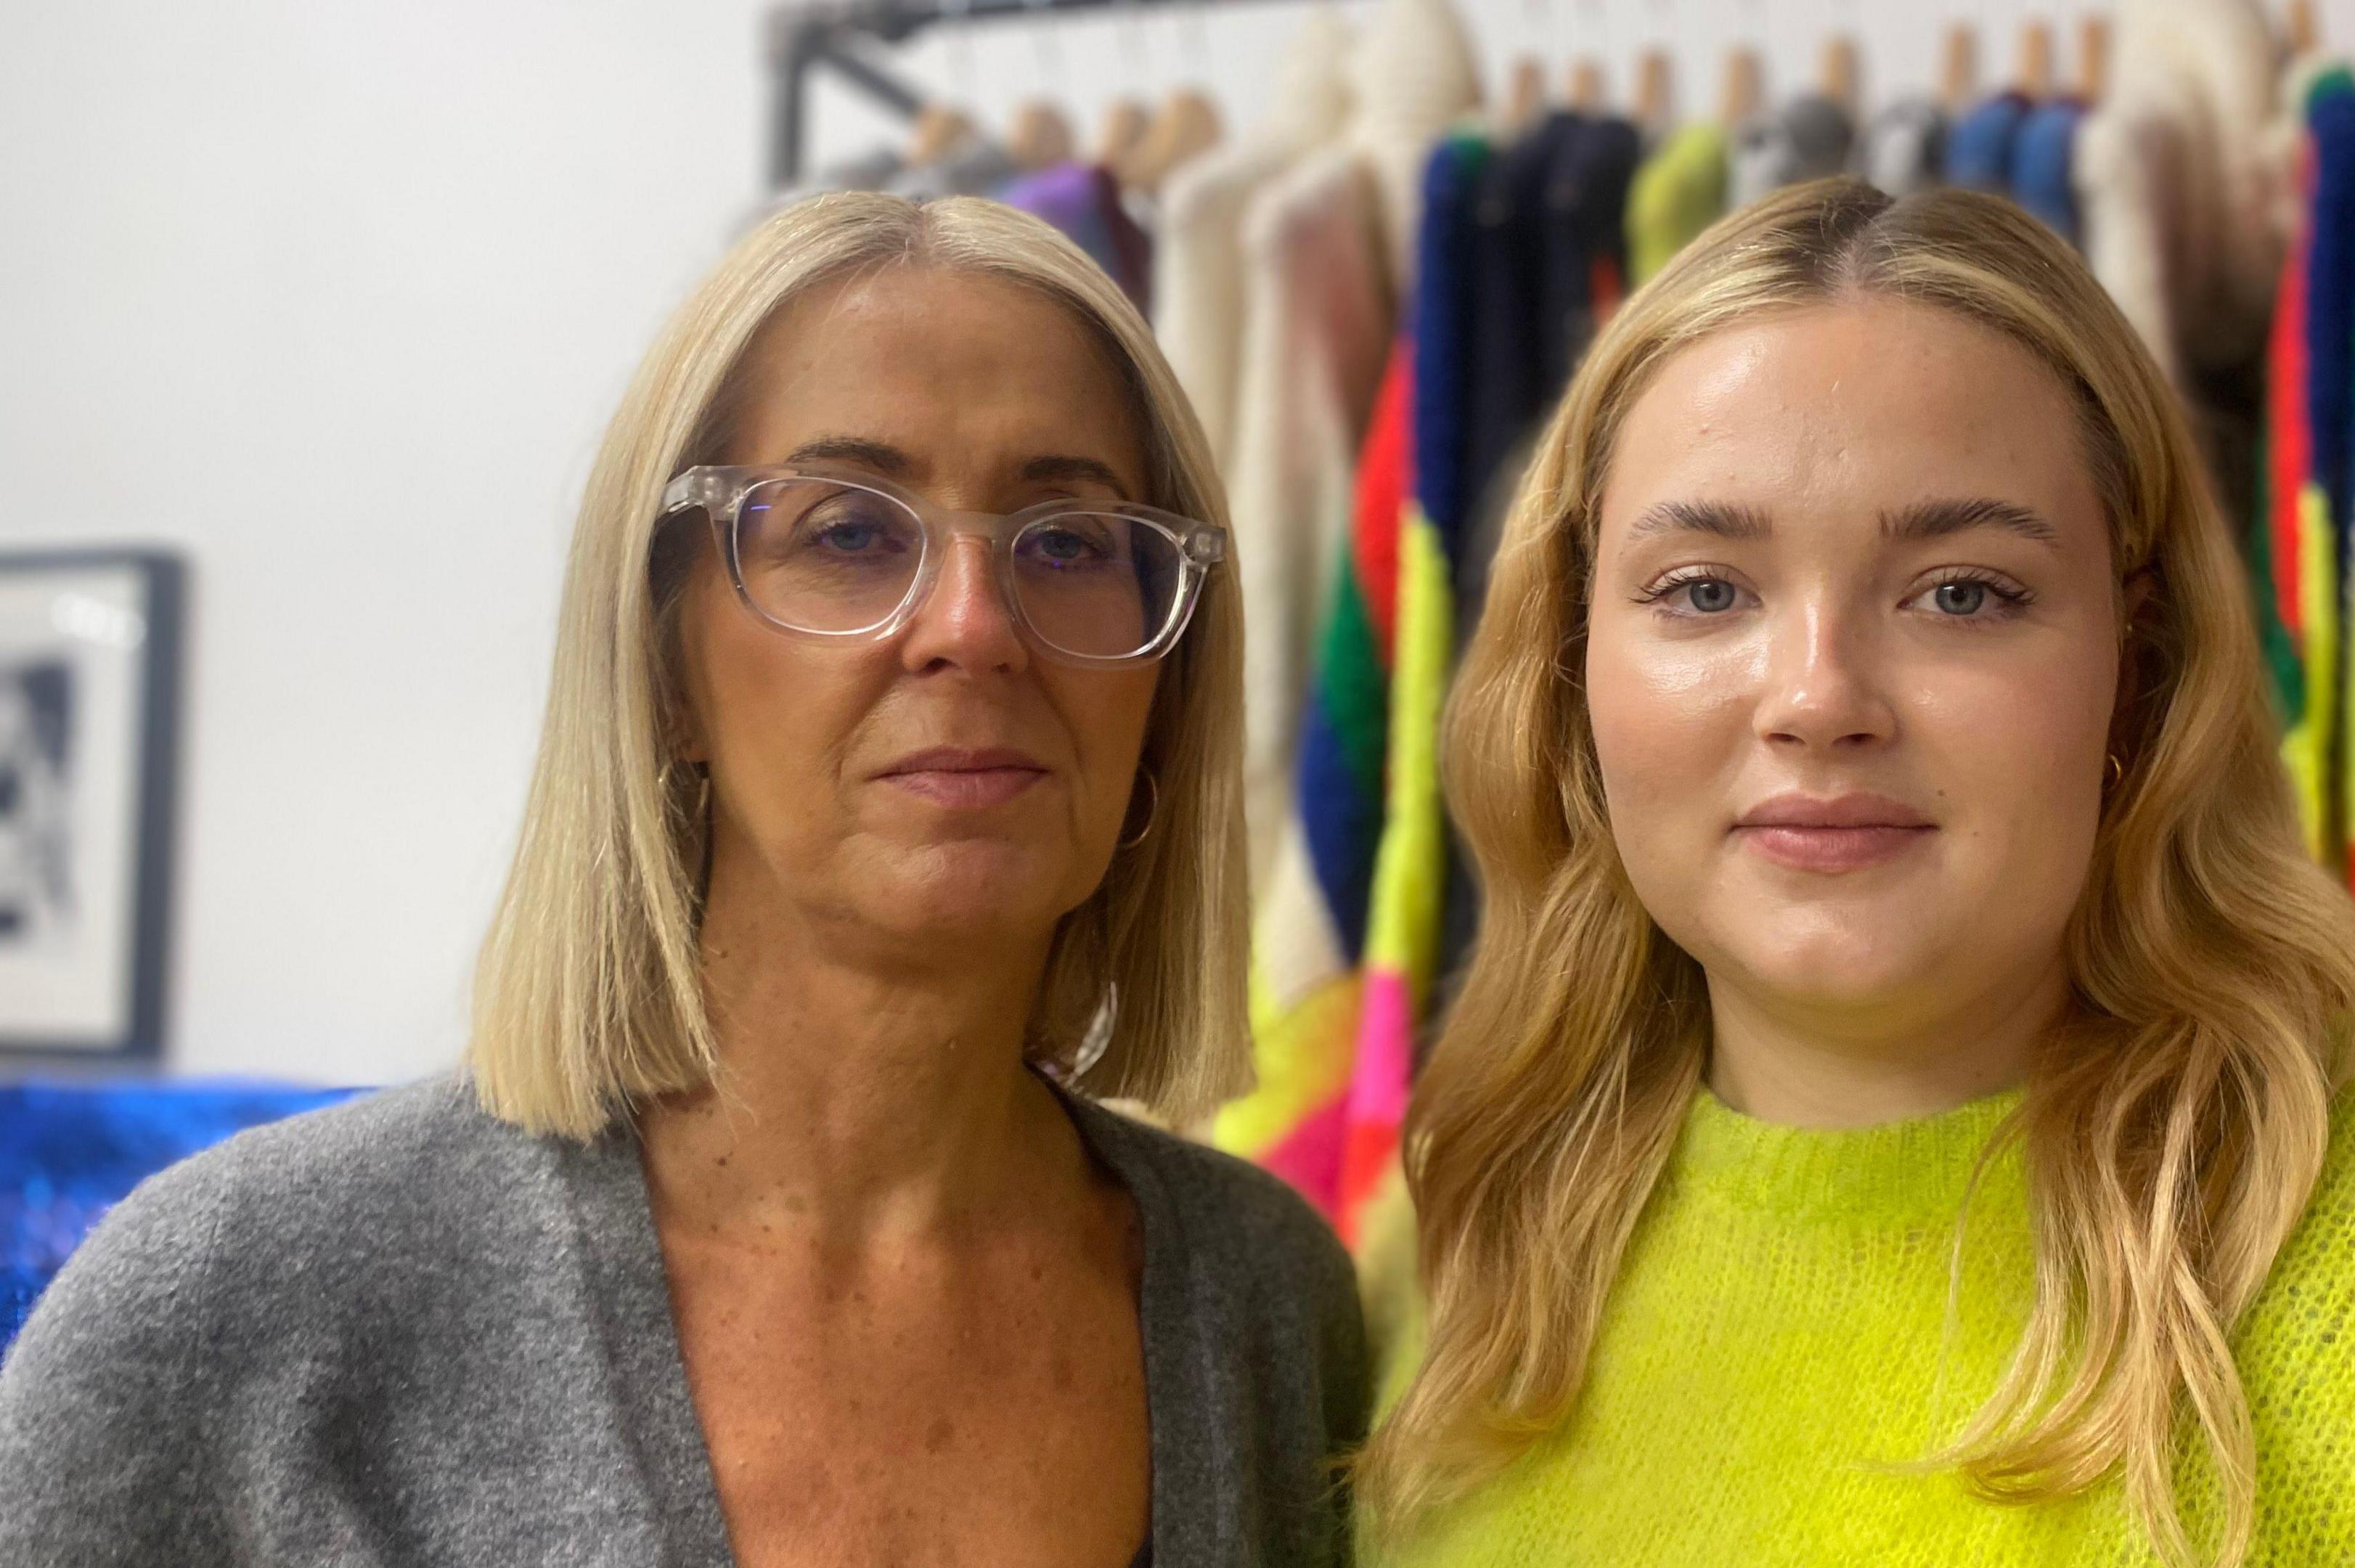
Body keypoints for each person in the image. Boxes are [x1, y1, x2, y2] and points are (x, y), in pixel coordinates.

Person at [1359, 179, 2355, 1567]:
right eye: (1705, 590)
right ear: (1570, 666)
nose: (1817, 697)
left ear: (2140, 661)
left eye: (1963, 592)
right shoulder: (1465, 1248)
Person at [0, 194, 1368, 1568]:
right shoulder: (238, 1309)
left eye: (1067, 542)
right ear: (663, 660)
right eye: (848, 532)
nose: (972, 626)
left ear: (1167, 678)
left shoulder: (1266, 1305)